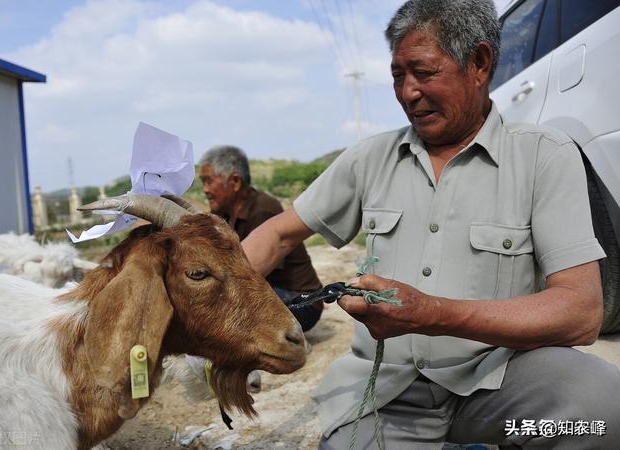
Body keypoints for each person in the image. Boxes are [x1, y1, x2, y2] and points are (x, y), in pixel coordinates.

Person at [242, 0, 620, 448]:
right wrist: (209, 298)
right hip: (386, 391)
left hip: (498, 386)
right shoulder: (370, 158)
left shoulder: (545, 155)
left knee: (600, 413)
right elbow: (278, 234)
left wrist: (434, 315)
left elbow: (580, 313)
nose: (407, 92)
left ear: (478, 63)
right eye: (398, 75)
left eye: (422, 72)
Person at [198, 145, 323, 332]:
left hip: (301, 302)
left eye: (209, 181)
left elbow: (252, 277)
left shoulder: (263, 209)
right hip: (271, 292)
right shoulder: (222, 212)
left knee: (221, 305)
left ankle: (291, 342)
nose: (205, 189)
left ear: (235, 182)